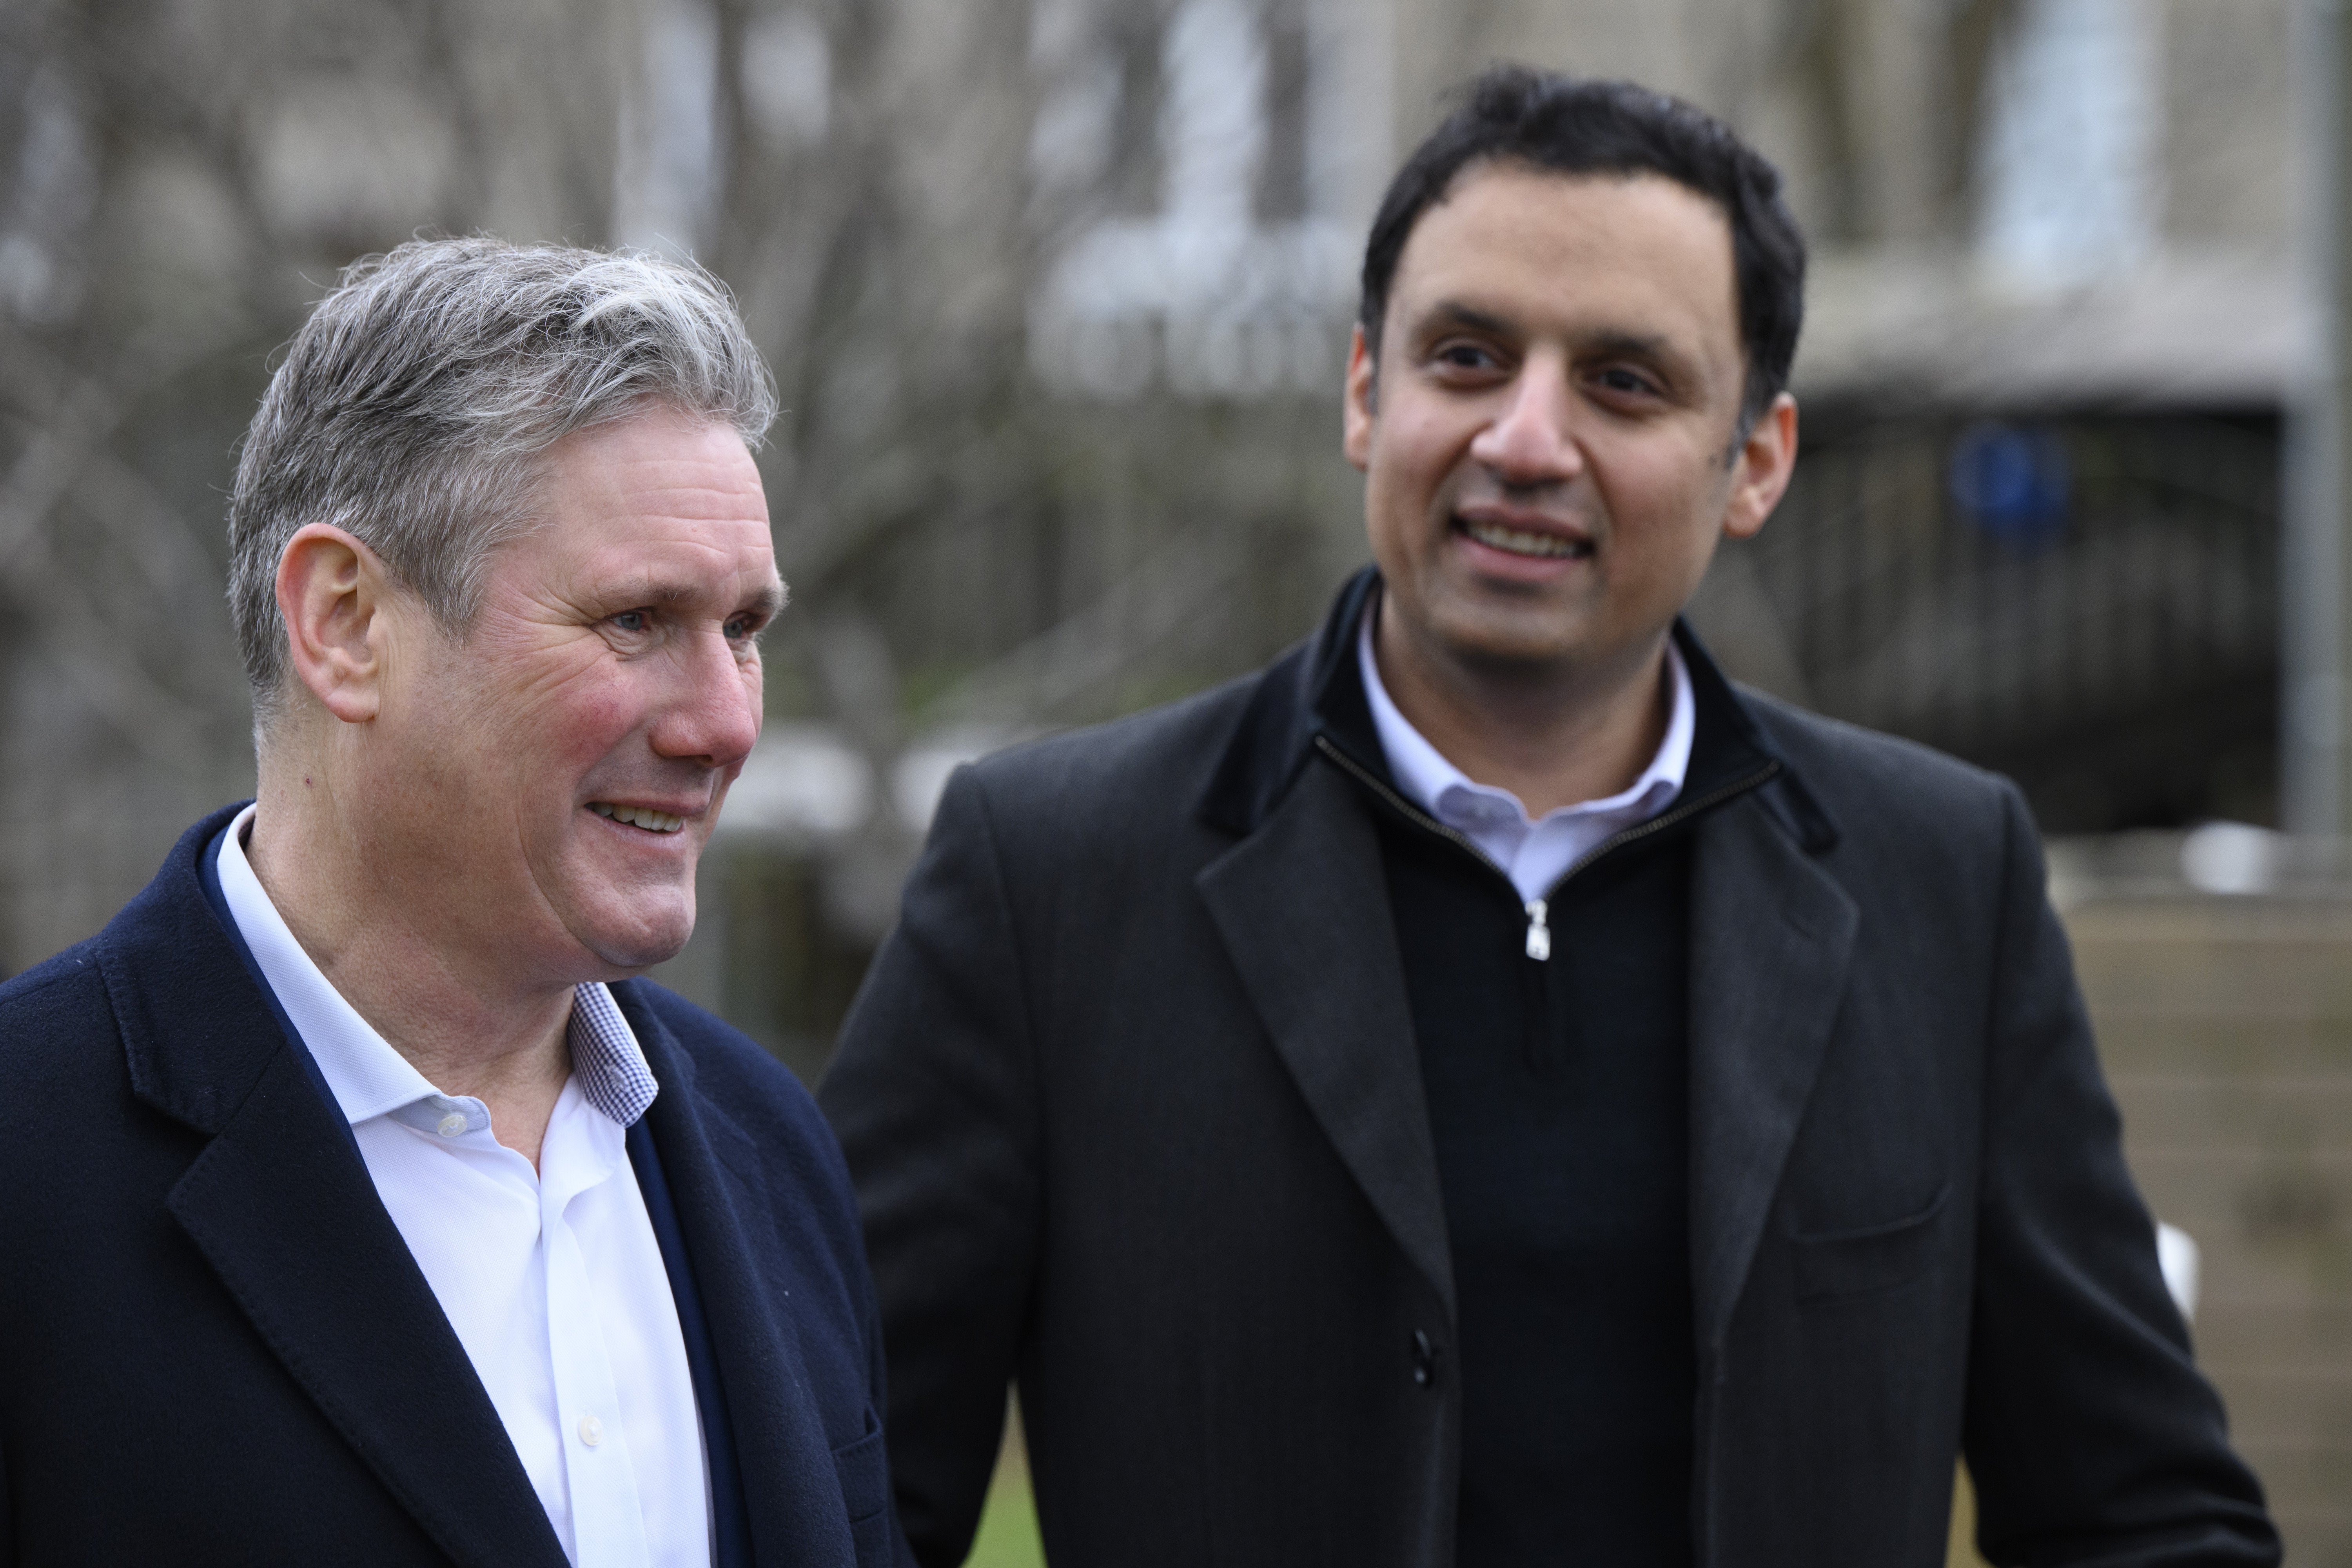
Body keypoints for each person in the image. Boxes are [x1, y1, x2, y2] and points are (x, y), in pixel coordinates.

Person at [819, 69, 2280, 1568]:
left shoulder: (1942, 883)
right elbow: (832, 1497)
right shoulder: (1050, 876)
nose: (1527, 438)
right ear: (1365, 394)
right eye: (1466, 356)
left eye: (1624, 381)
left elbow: (2143, 1515)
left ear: (1757, 463)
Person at [0, 239, 906, 1568]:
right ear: (346, 621)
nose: (724, 720)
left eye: (746, 630)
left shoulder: (772, 1150)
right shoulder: (32, 1167)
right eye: (639, 620)